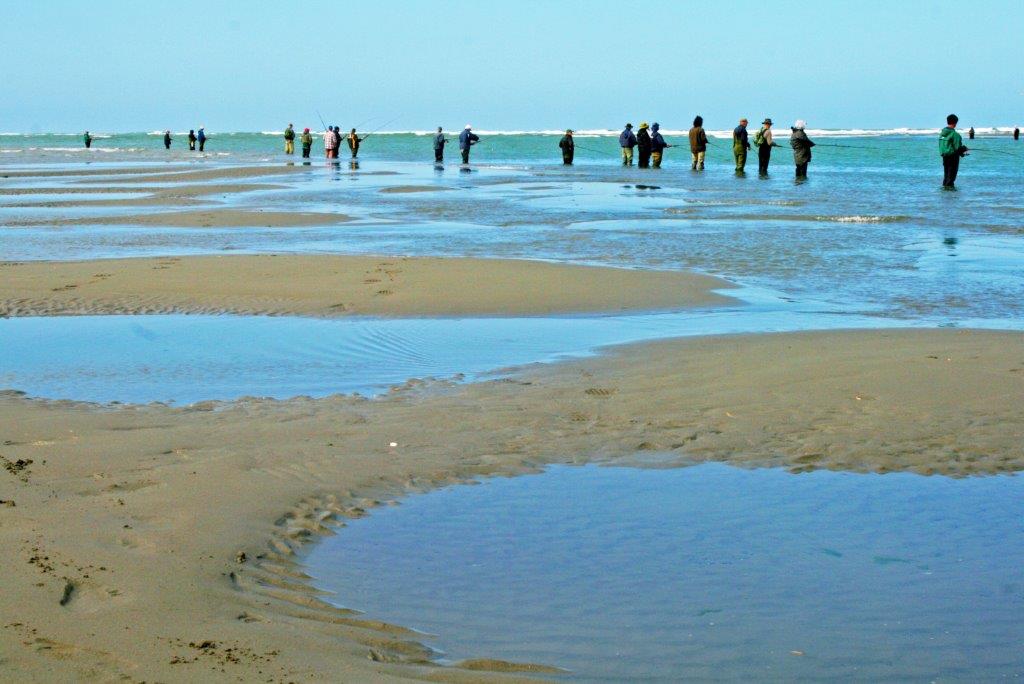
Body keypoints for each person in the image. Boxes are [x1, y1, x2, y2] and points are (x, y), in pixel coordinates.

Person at [939, 113, 969, 189]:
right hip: (953, 157)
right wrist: (964, 149)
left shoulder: (942, 134)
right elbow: (958, 148)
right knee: (951, 177)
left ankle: (945, 194)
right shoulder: (955, 134)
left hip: (945, 156)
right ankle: (950, 197)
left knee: (946, 176)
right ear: (956, 123)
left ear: (947, 122)